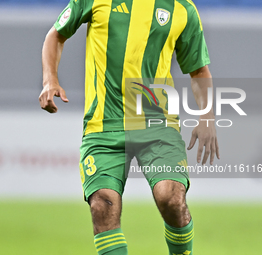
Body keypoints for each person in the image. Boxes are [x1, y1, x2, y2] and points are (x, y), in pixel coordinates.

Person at [39, 0, 220, 254]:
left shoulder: (182, 8)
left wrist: (207, 116)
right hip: (103, 125)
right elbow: (56, 35)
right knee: (102, 204)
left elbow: (199, 70)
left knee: (171, 197)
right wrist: (50, 80)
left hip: (158, 126)